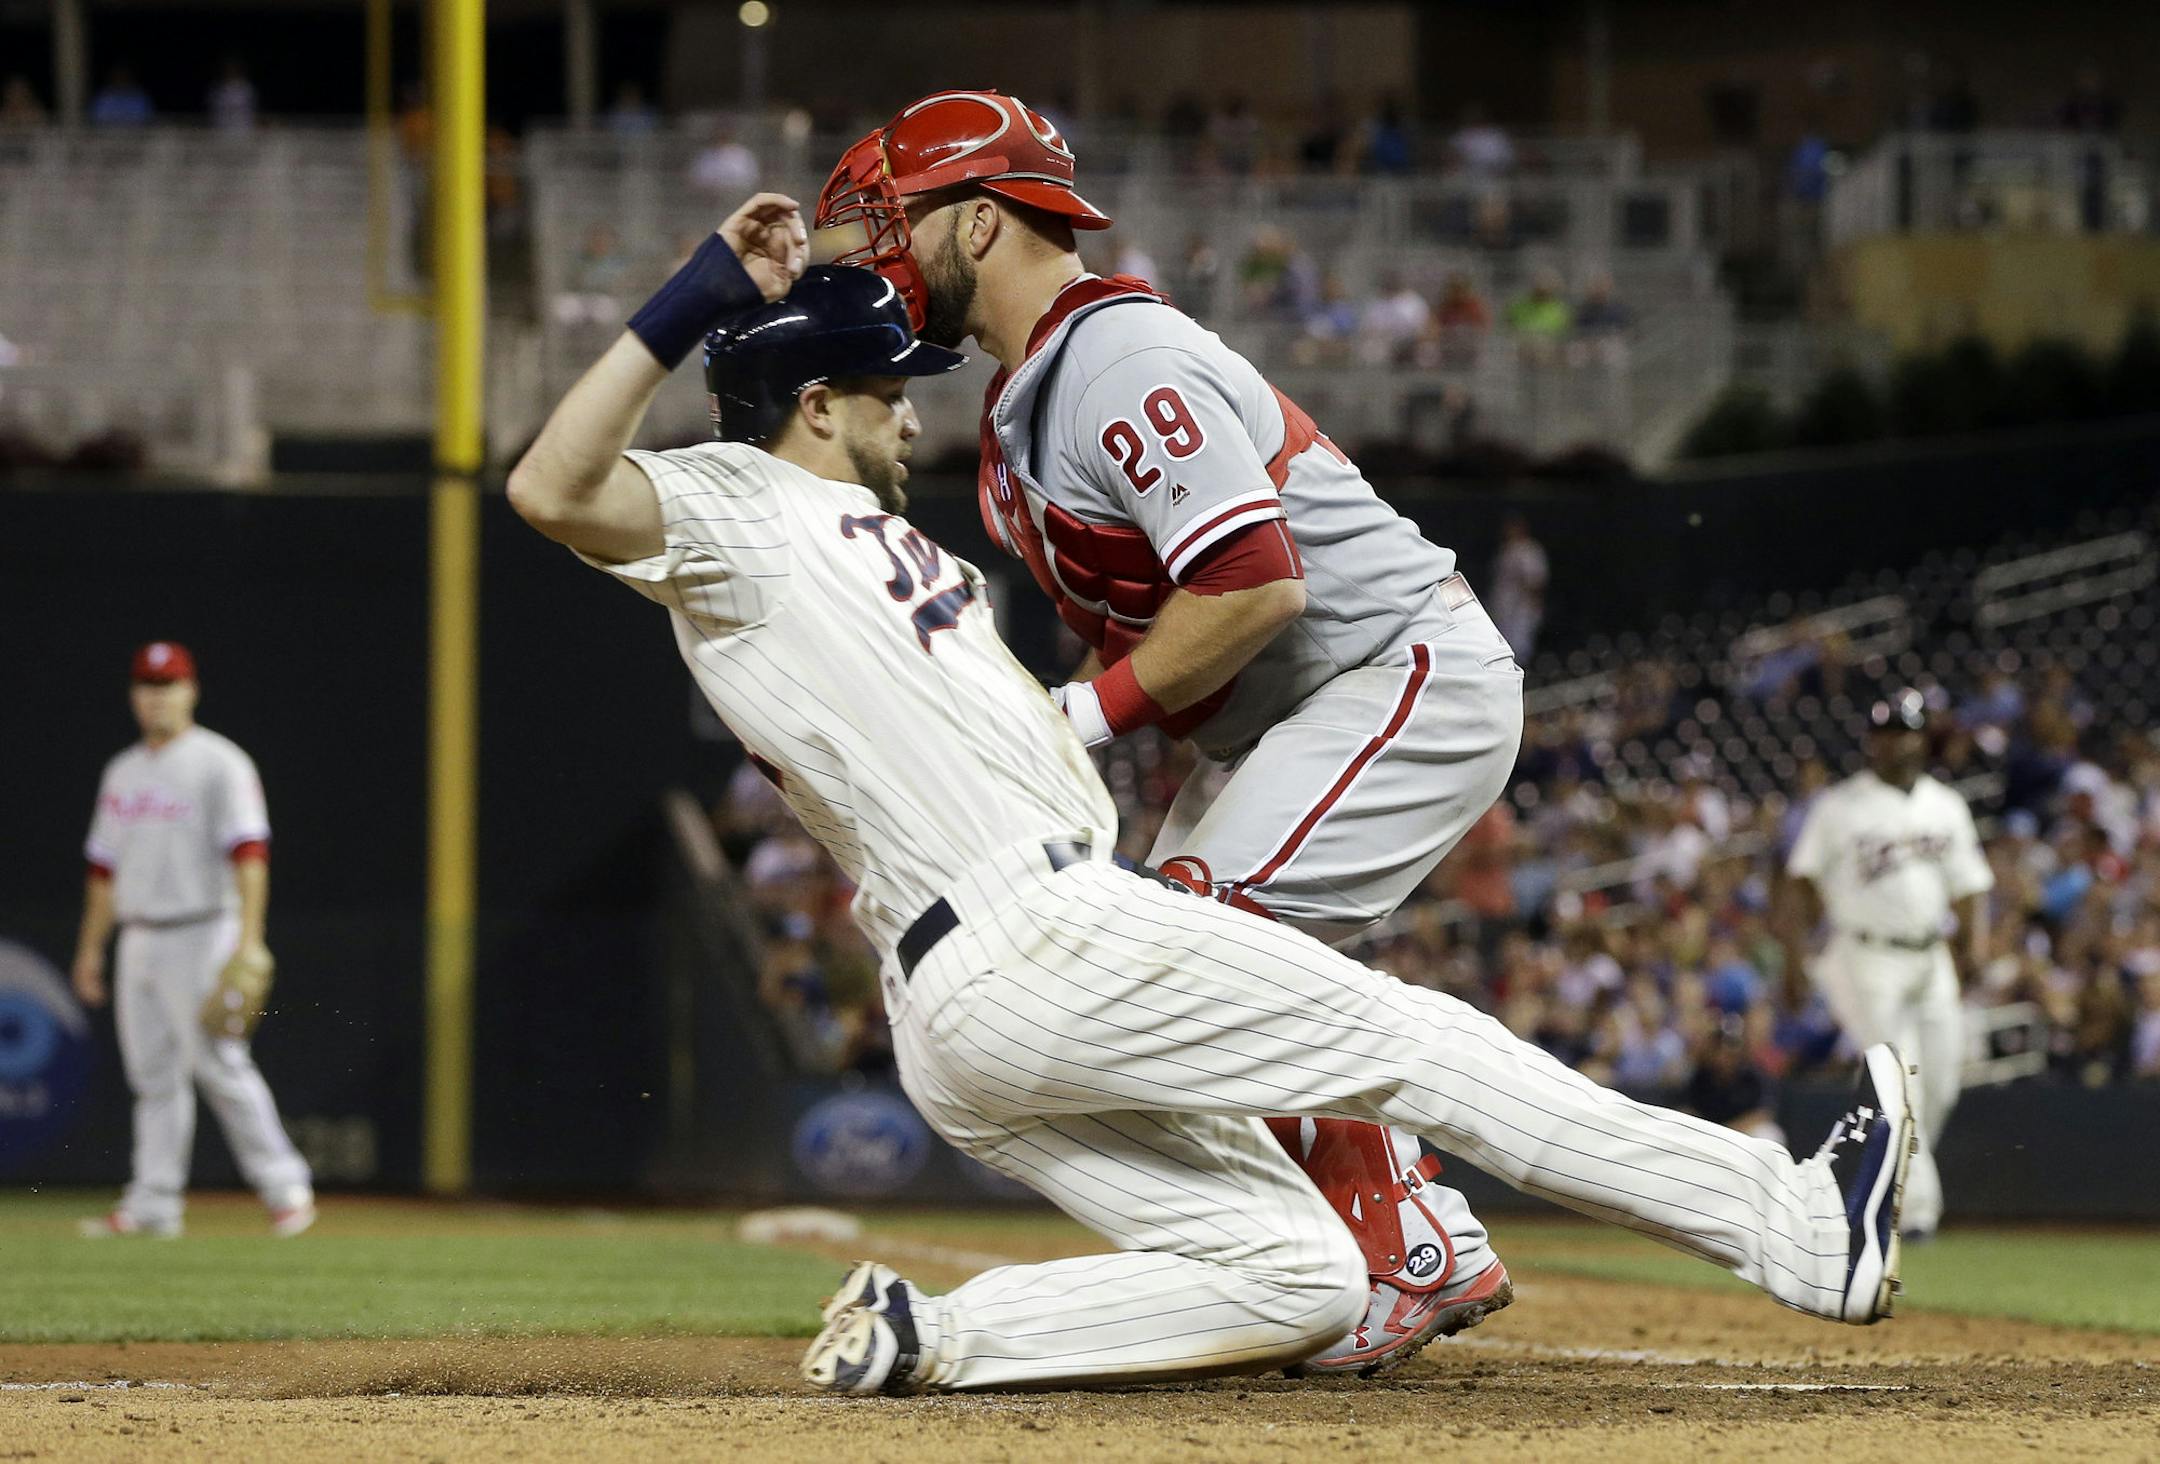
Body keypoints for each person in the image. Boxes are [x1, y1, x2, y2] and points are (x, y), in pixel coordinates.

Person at [507, 192, 1914, 1396]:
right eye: (884, 400)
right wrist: (696, 295)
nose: (911, 424)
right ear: (814, 405)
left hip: (968, 1000)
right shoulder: (740, 515)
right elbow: (554, 487)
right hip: (1028, 934)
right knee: (1420, 1046)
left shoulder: (880, 555)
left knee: (1296, 1274)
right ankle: (1795, 1230)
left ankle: (929, 1335)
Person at [814, 89, 1869, 1378]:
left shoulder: (1118, 359)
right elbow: (1151, 624)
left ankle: (1416, 1241)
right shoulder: (1026, 409)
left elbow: (1257, 582)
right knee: (1171, 965)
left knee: (1208, 955)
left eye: (896, 219)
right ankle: (1399, 1239)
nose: (875, 250)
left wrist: (1078, 720)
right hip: (1284, 722)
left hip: (1395, 670)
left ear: (979, 223)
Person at [72, 643, 316, 1239]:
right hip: (138, 937)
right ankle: (154, 1203)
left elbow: (250, 854)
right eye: (148, 684)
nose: (157, 695)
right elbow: (103, 870)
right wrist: (90, 949)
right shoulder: (122, 770)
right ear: (134, 694)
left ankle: (286, 1187)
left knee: (218, 1062)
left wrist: (250, 941)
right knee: (152, 1076)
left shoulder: (219, 763)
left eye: (169, 683)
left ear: (192, 690)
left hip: (205, 929)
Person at [1778, 689, 1990, 1241]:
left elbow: (1970, 887)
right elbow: (1799, 882)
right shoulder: (1841, 806)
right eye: (1890, 732)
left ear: (1923, 738)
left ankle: (1893, 1185)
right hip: (1864, 955)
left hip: (1931, 954)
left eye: (1909, 731)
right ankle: (1911, 1215)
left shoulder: (1946, 804)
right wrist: (1795, 959)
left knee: (1941, 1085)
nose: (1900, 741)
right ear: (1873, 741)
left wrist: (1973, 946)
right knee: (1902, 1078)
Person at [1487, 513, 1549, 661]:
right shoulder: (1506, 549)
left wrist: (1531, 607)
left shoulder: (1529, 550)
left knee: (1519, 651)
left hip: (1520, 610)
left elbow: (1536, 581)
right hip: (1503, 608)